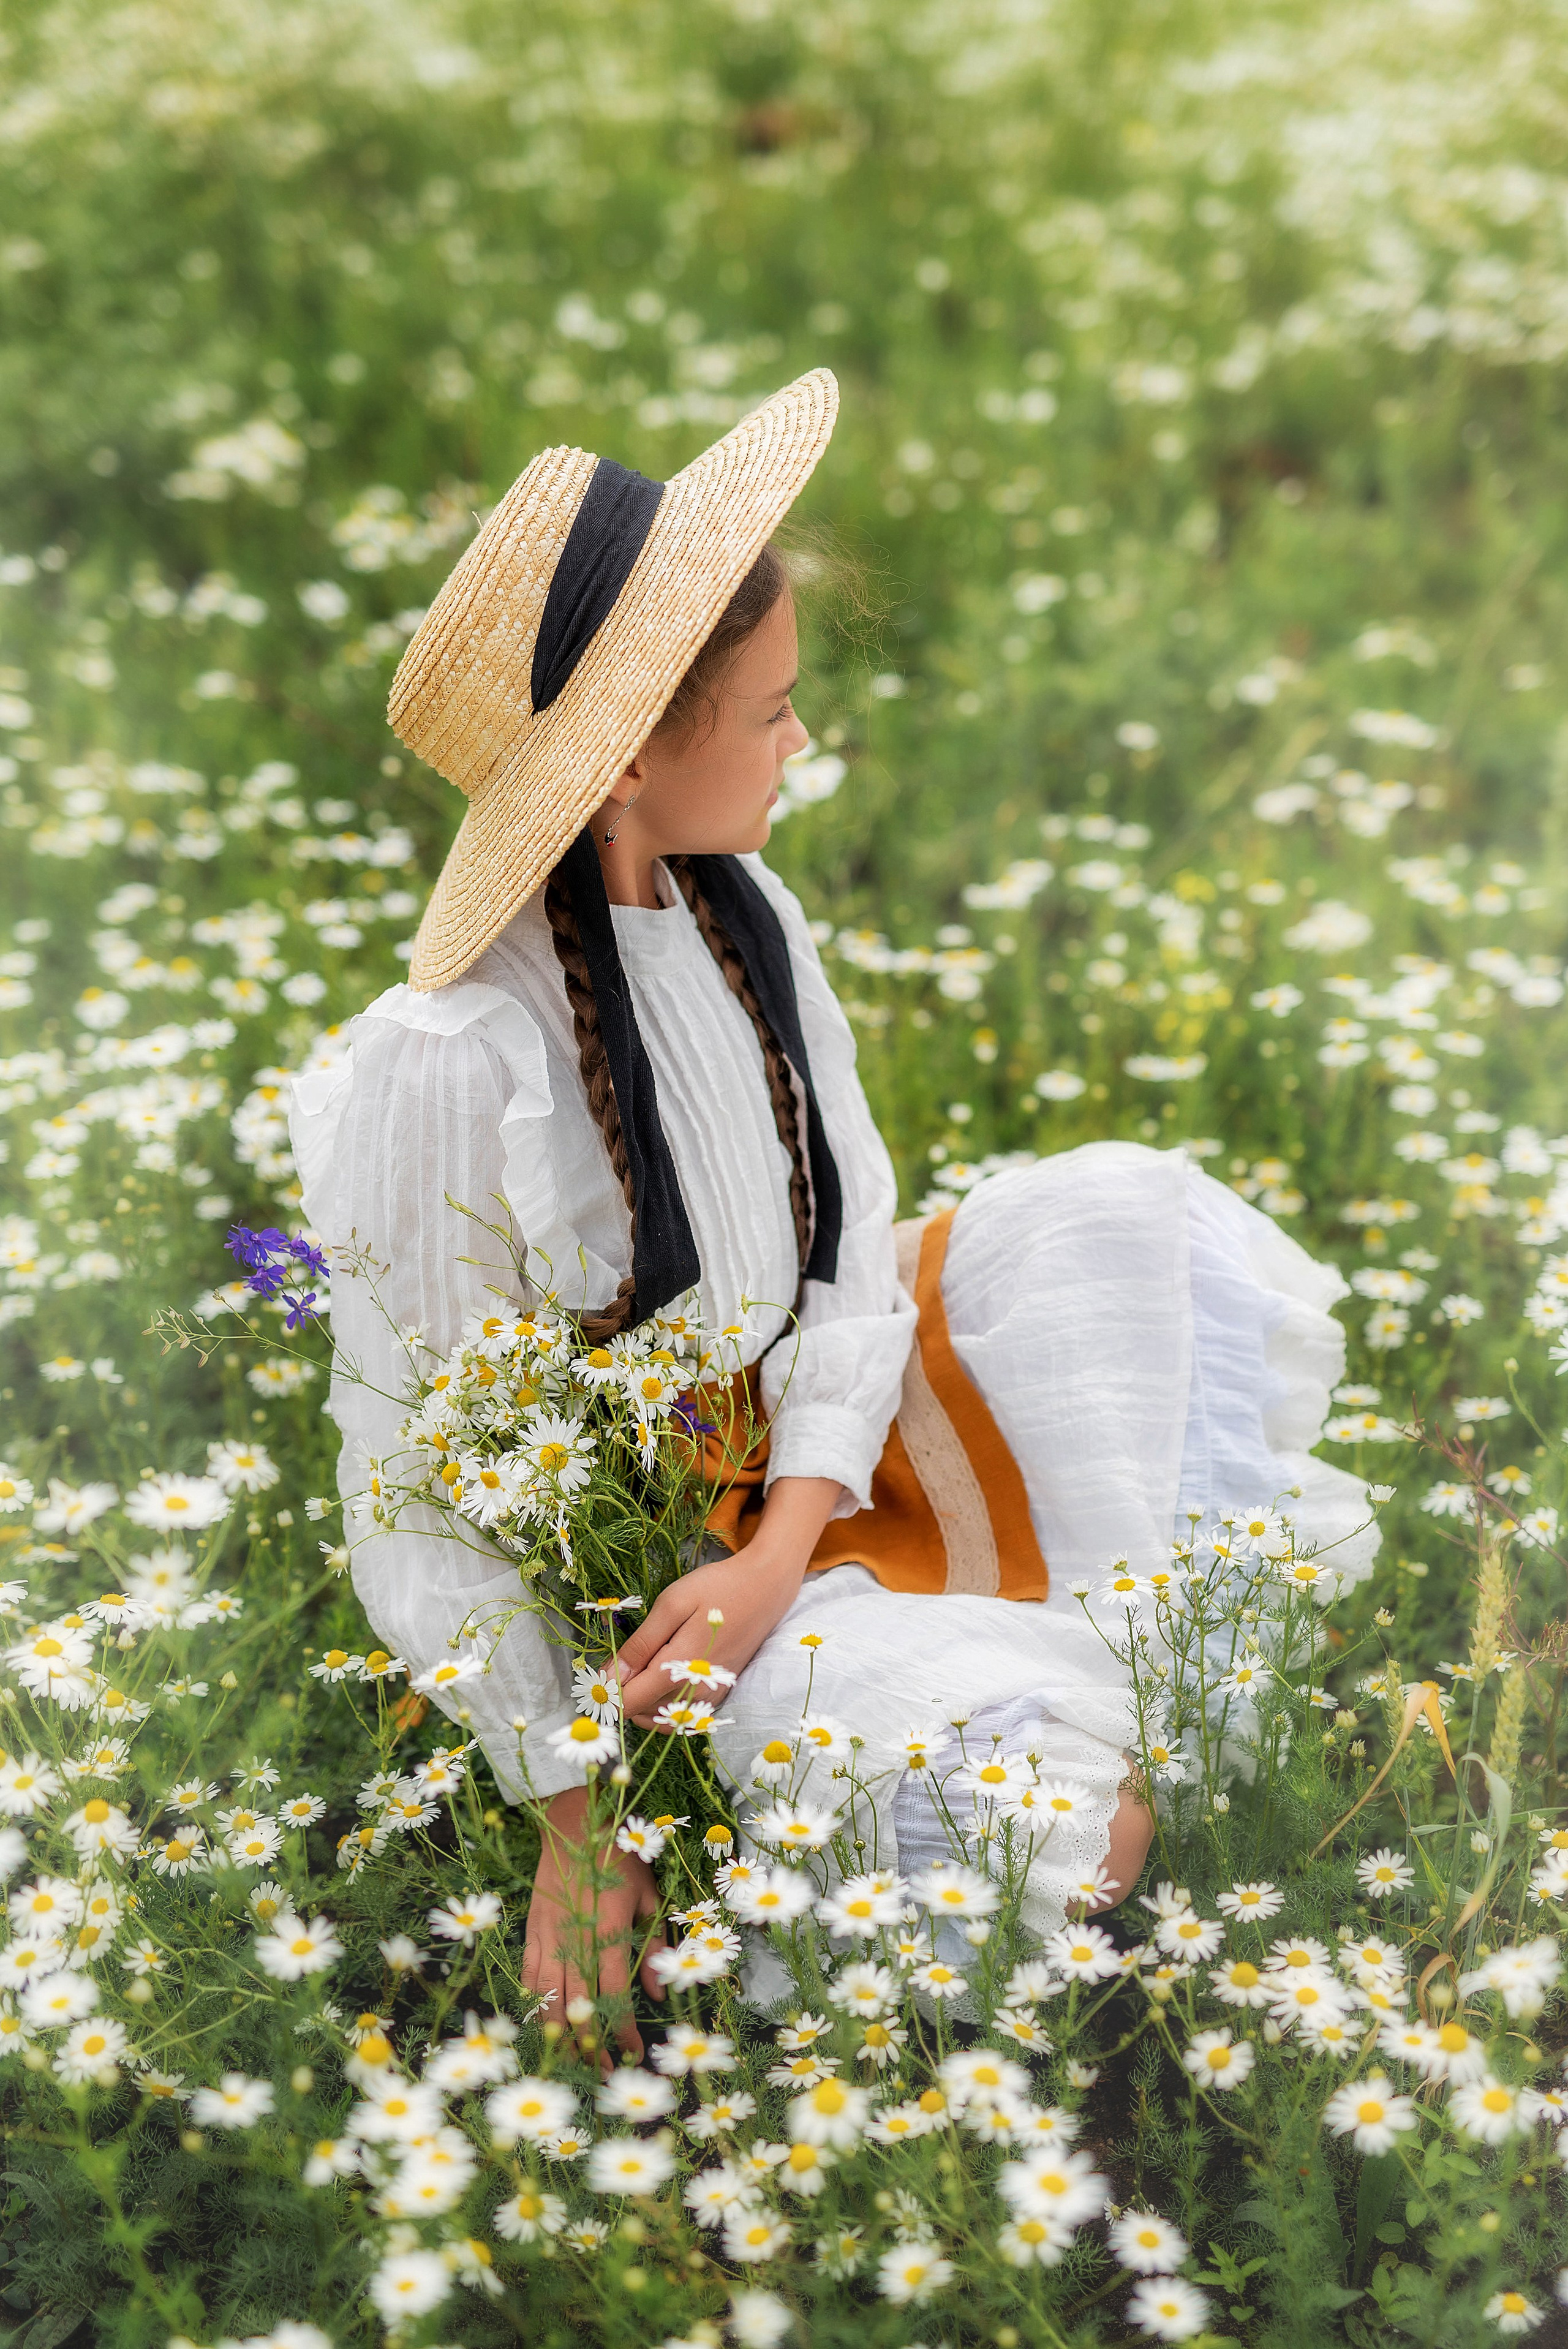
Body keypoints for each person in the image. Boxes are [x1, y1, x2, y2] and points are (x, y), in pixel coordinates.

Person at [291, 369, 1376, 2053]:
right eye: (776, 710)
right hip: (652, 1589)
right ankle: (1013, 1704)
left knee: (1126, 1222)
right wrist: (583, 1809)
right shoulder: (445, 1067)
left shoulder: (747, 914)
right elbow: (424, 1480)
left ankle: (1016, 1642)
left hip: (808, 1463)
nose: (805, 741)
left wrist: (795, 1527)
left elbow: (852, 1250)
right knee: (1030, 1825)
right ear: (638, 749)